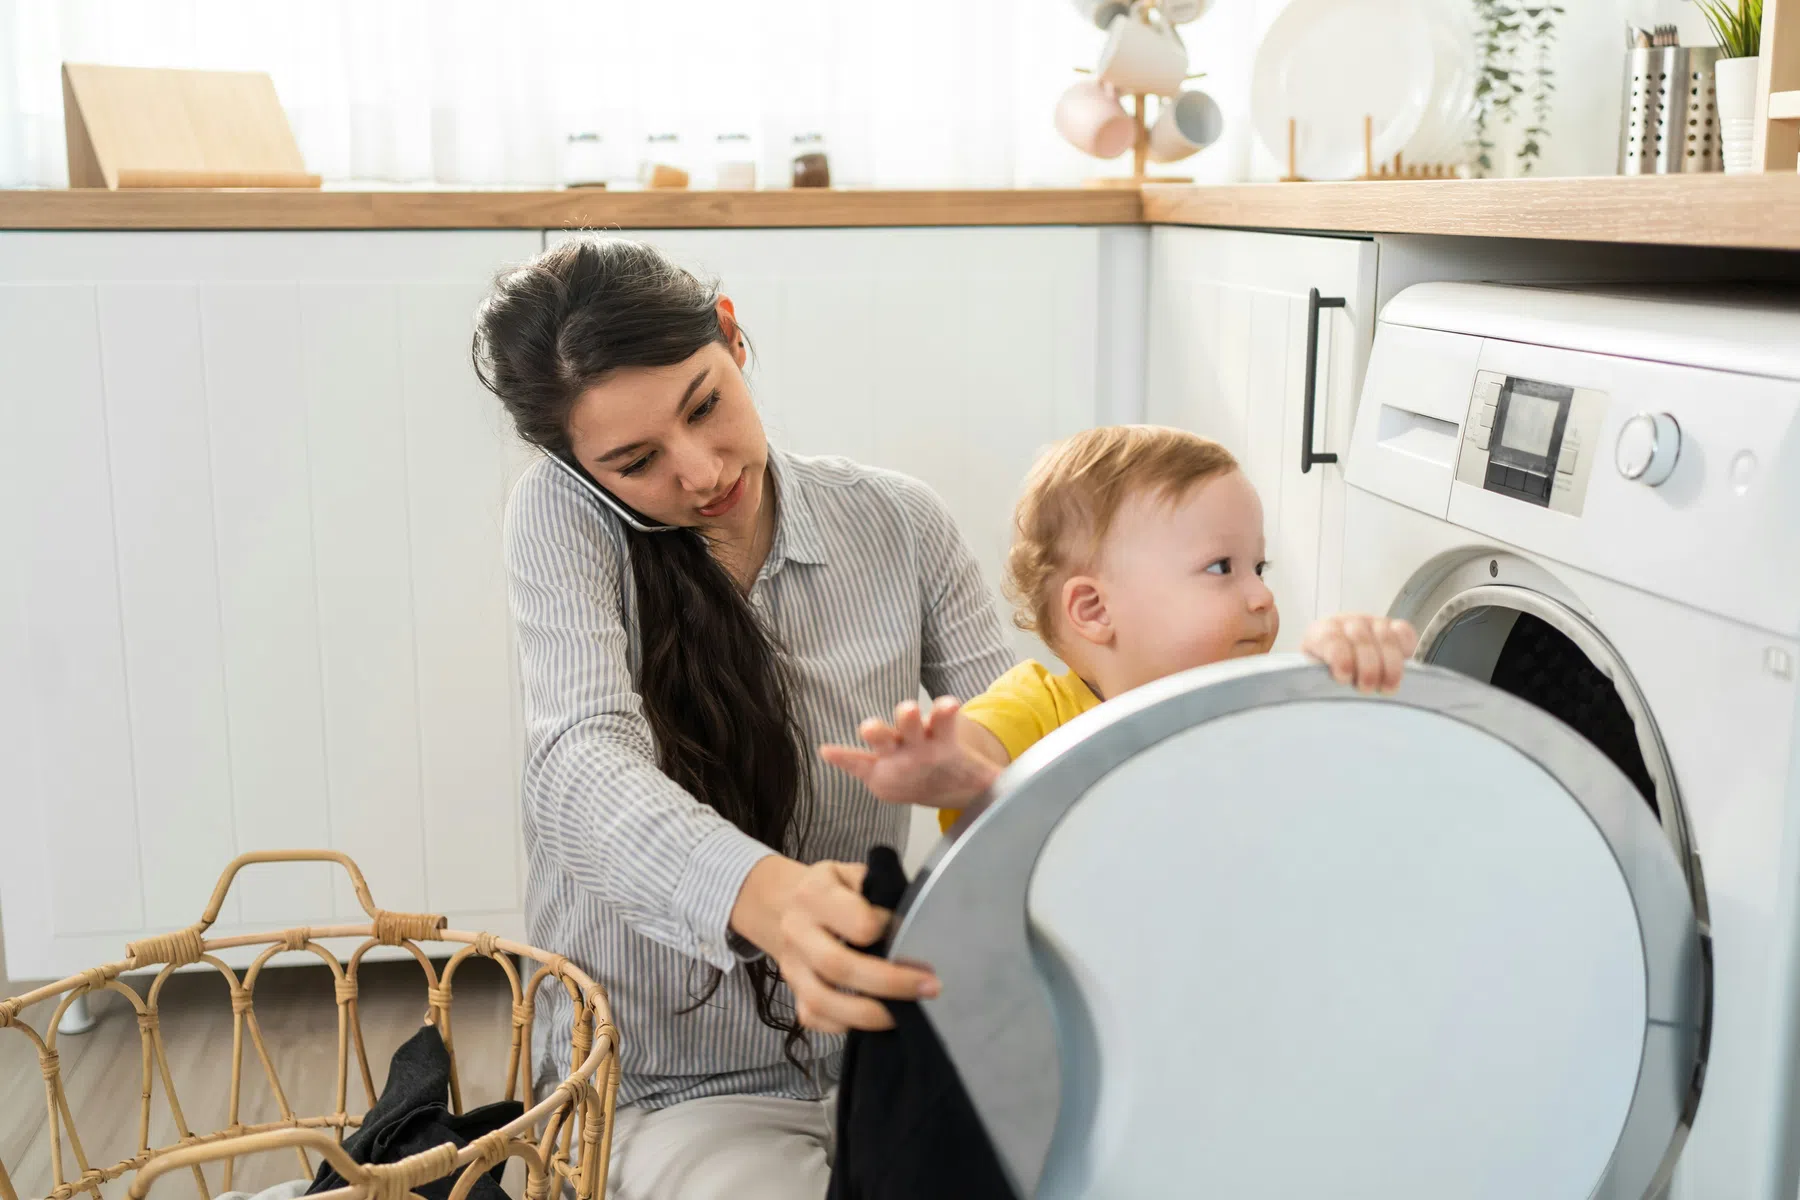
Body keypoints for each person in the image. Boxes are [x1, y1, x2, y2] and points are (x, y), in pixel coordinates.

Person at [472, 237, 1016, 1200]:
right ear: (577, 467)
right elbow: (576, 762)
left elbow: (1016, 741)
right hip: (670, 1082)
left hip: (883, 1048)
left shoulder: (899, 522)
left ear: (731, 339)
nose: (699, 471)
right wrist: (768, 899)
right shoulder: (560, 520)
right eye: (636, 461)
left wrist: (975, 777)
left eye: (705, 406)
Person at [820, 425, 1419, 827]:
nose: (1262, 595)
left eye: (1258, 567)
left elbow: (1349, 776)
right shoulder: (1038, 710)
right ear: (1094, 611)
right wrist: (952, 773)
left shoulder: (1254, 702)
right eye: (1222, 567)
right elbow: (980, 758)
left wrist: (1343, 668)